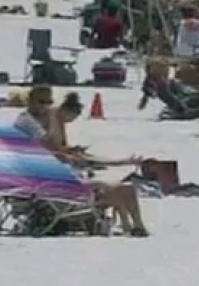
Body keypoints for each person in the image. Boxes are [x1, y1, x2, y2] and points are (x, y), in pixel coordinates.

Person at [14, 87, 150, 237]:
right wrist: (53, 121)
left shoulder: (42, 123)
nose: (45, 106)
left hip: (63, 180)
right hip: (51, 186)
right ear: (30, 101)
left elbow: (56, 149)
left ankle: (137, 226)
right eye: (42, 102)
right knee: (110, 187)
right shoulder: (27, 122)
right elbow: (50, 145)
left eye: (49, 102)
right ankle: (126, 226)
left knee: (127, 188)